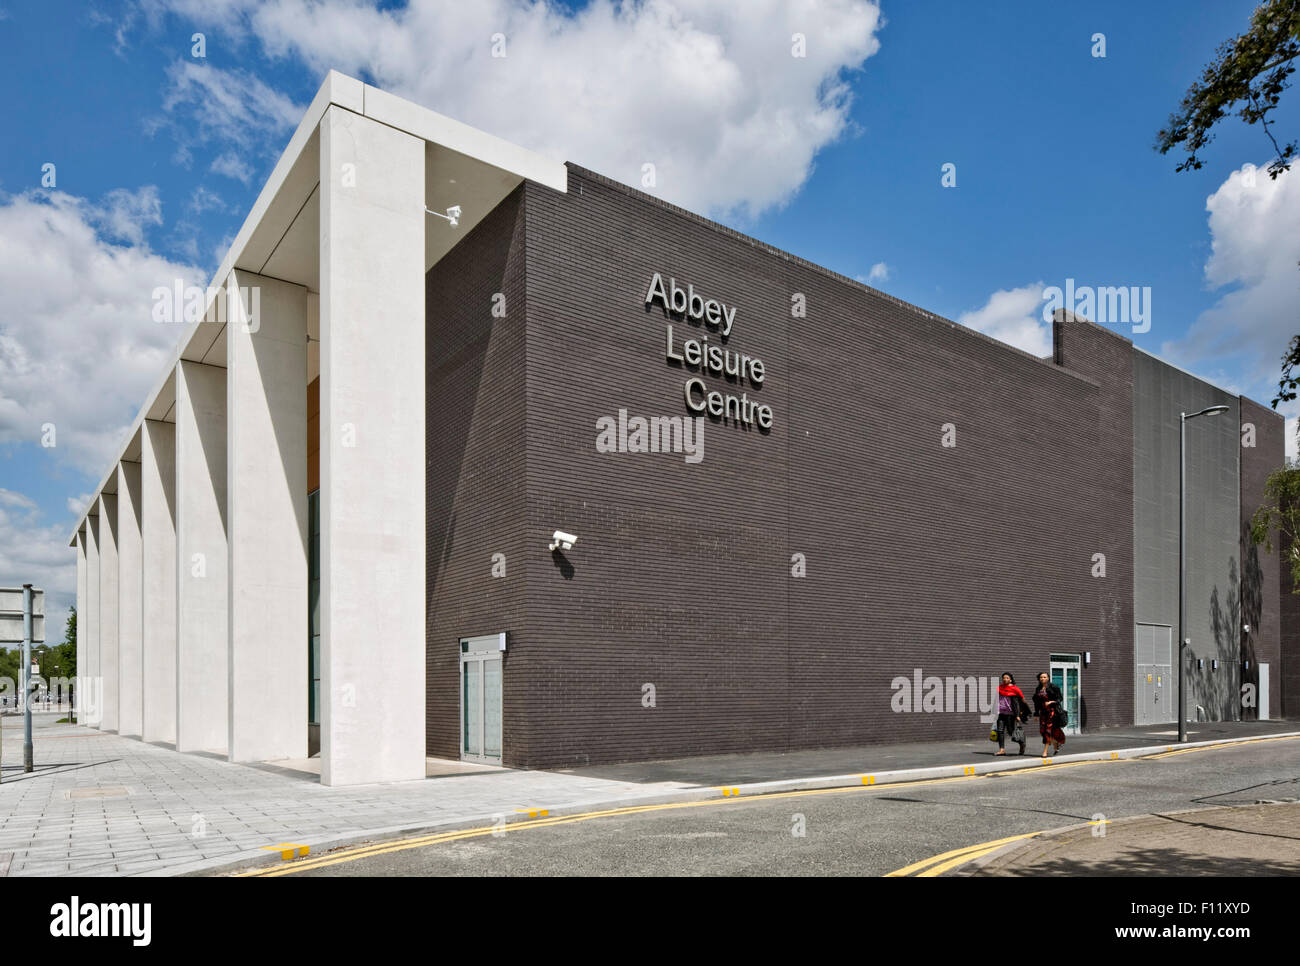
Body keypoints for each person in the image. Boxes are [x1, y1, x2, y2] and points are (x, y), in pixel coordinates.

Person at [994, 672, 1029, 756]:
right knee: (1000, 731)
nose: (1005, 679)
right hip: (1001, 712)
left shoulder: (1015, 688)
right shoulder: (999, 688)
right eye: (1004, 678)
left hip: (1011, 714)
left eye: (1007, 678)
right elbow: (996, 699)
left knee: (1011, 732)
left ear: (1010, 679)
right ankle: (1002, 749)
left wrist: (1018, 714)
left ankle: (1021, 743)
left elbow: (1021, 701)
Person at [1034, 671, 1066, 757]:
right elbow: (1036, 702)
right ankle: (1055, 743)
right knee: (1042, 731)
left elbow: (1060, 699)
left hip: (1052, 712)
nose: (1042, 678)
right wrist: (1036, 714)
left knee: (1048, 730)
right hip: (1043, 713)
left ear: (1048, 678)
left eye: (1044, 677)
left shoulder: (1053, 687)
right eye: (1041, 677)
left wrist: (1051, 702)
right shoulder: (1038, 689)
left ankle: (1045, 751)